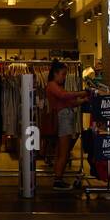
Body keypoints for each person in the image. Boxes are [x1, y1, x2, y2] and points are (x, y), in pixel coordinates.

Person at [46, 60, 91, 190]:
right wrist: (81, 93)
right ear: (55, 73)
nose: (65, 77)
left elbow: (68, 102)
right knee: (64, 152)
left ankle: (58, 178)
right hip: (64, 118)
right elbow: (64, 96)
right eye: (63, 74)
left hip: (65, 117)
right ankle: (58, 180)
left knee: (62, 151)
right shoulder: (52, 85)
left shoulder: (56, 85)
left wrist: (82, 100)